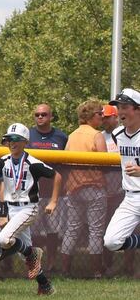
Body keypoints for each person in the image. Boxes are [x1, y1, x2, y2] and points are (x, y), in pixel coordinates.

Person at [0, 123, 60, 296]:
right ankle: (45, 286)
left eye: (16, 139)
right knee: (27, 257)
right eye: (9, 139)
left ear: (25, 142)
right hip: (11, 207)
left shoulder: (32, 162)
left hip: (28, 208)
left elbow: (57, 176)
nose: (12, 143)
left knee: (5, 239)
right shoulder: (3, 160)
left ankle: (34, 252)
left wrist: (53, 201)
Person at [60, 100, 107, 277]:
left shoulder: (72, 135)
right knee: (95, 230)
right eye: (99, 114)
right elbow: (105, 162)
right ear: (90, 116)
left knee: (72, 229)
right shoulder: (96, 135)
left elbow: (64, 161)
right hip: (94, 186)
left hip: (73, 187)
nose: (102, 117)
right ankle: (96, 271)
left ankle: (65, 270)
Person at [27, 103, 68, 273]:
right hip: (32, 191)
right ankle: (36, 264)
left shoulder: (61, 137)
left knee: (53, 232)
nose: (40, 117)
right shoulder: (27, 135)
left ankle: (51, 262)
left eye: (44, 114)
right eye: (37, 115)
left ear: (51, 116)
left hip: (54, 192)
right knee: (34, 232)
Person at [103, 89, 140, 258]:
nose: (121, 111)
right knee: (111, 241)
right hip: (131, 198)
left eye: (125, 106)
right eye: (119, 106)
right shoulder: (117, 134)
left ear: (137, 109)